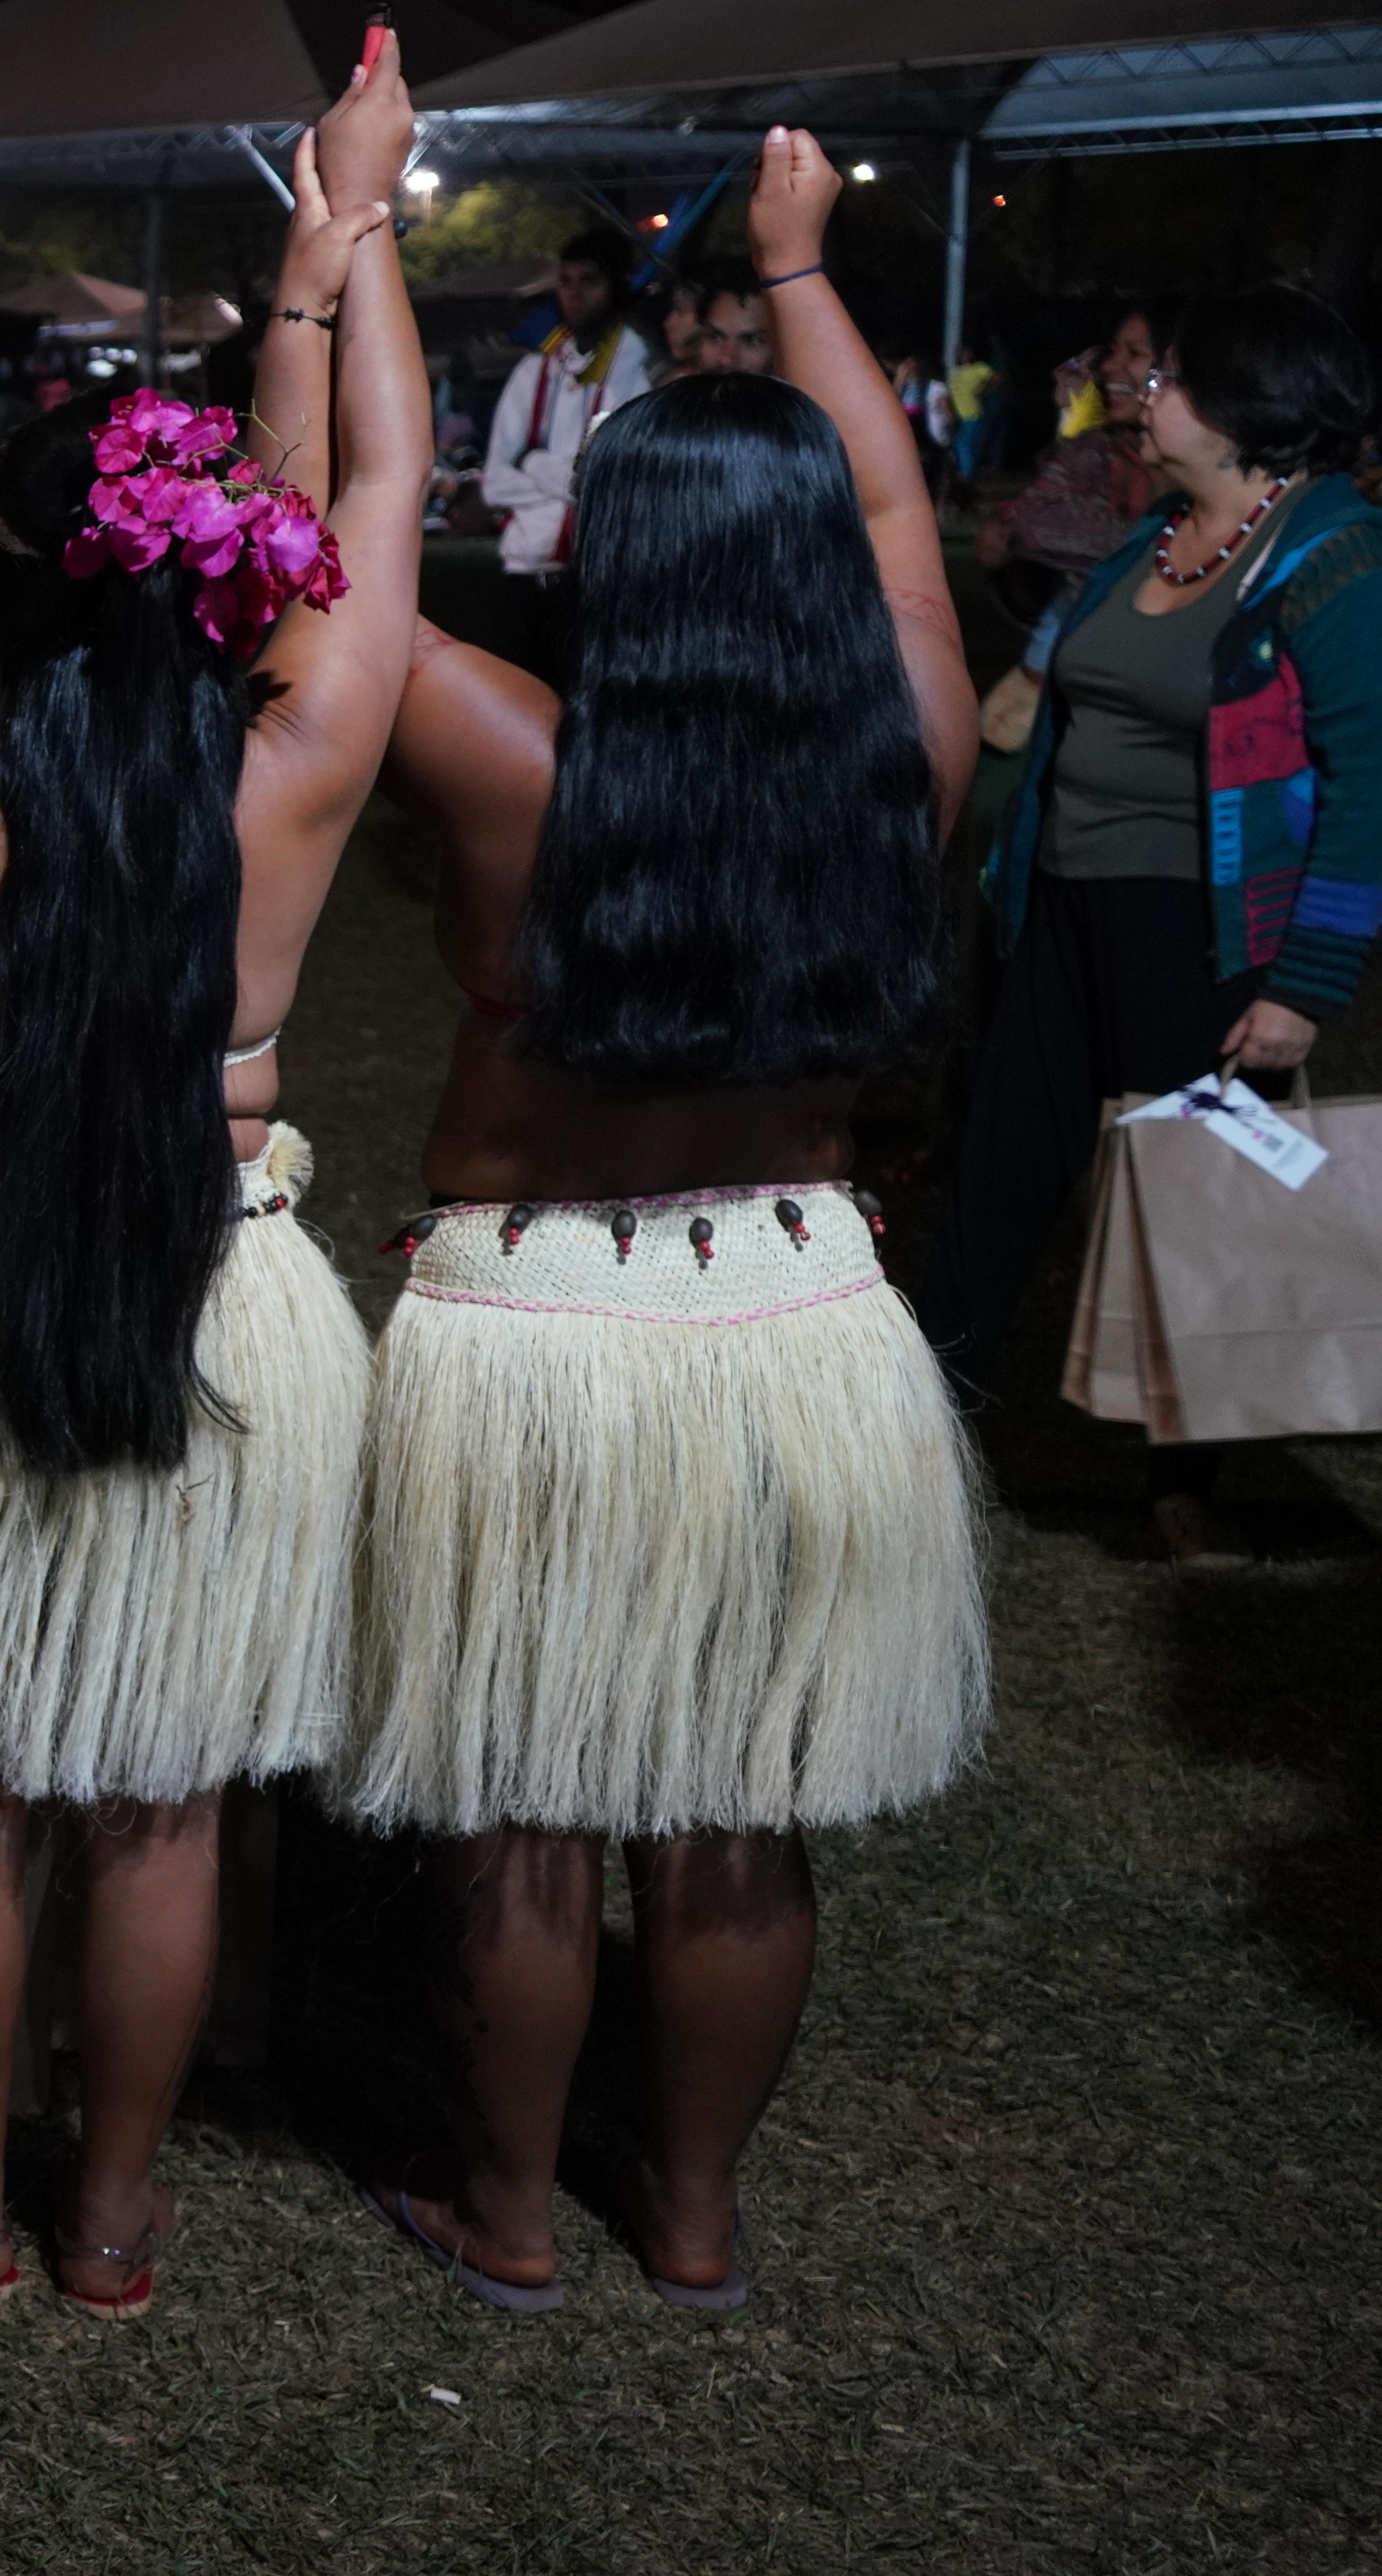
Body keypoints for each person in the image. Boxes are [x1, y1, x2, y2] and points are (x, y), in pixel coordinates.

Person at [0, 42, 422, 2316]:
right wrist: (336, 257)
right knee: (153, 1806)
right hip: (218, 1295)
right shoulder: (302, 759)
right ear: (227, 584)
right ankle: (111, 2222)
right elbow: (385, 498)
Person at [346, 127, 988, 2314]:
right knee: (729, 1821)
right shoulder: (897, 738)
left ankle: (511, 2215)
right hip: (793, 1301)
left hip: (529, 1317)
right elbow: (901, 526)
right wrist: (798, 269)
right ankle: (690, 2217)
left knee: (524, 1810)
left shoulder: (506, 748)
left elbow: (333, 566)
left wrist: (331, 253)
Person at [922, 285, 1381, 1566]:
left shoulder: (1335, 560)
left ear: (1247, 412)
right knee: (999, 1170)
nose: (1143, 392)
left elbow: (1367, 792)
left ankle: (1192, 1487)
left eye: (1171, 378)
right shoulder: (1161, 535)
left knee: (1210, 1208)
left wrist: (1306, 984)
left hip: (1205, 934)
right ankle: (910, 1433)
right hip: (1064, 907)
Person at [476, 230, 654, 686]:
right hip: (525, 575)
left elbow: (611, 482)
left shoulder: (637, 368)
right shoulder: (534, 369)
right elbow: (495, 483)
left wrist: (533, 462)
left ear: (615, 285)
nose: (574, 294)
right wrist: (571, 485)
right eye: (567, 281)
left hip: (598, 577)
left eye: (588, 281)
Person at [978, 306, 1173, 629]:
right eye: (1113, 353)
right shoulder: (1094, 452)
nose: (1109, 367)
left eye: (1135, 352)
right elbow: (1018, 524)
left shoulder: (1244, 484)